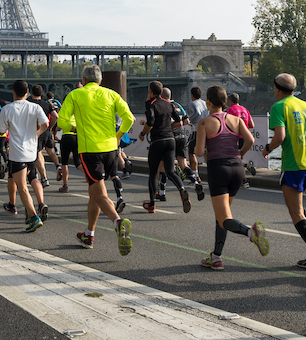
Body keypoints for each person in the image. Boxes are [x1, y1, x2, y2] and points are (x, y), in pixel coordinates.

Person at [58, 65, 134, 255]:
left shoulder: (76, 95)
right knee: (94, 193)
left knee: (99, 194)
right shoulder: (111, 94)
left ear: (83, 80)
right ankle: (89, 234)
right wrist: (118, 135)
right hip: (110, 150)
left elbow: (61, 121)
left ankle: (118, 222)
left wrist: (74, 129)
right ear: (100, 81)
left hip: (90, 150)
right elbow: (129, 119)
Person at [195, 85, 267, 270]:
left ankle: (251, 233)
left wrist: (205, 152)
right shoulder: (235, 119)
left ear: (208, 102)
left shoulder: (204, 122)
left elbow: (198, 151)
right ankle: (216, 256)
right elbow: (250, 140)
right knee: (223, 216)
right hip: (237, 168)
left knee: (223, 217)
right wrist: (240, 153)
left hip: (218, 168)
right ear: (225, 101)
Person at [261, 73, 306, 269]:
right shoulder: (305, 105)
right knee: (298, 205)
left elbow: (280, 136)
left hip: (293, 164)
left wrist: (267, 149)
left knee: (295, 212)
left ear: (277, 88)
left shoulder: (279, 107)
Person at [0, 79, 50, 232]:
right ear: (27, 93)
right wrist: (36, 134)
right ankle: (29, 214)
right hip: (32, 152)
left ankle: (34, 217)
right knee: (30, 181)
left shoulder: (7, 109)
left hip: (17, 154)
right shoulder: (35, 107)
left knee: (22, 187)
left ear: (13, 92)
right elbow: (46, 123)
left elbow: (1, 131)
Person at [139, 81, 190, 213]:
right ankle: (182, 190)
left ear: (150, 91)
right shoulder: (169, 104)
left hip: (158, 140)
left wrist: (143, 133)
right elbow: (179, 122)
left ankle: (152, 204)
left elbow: (150, 122)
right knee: (170, 171)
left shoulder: (150, 104)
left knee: (152, 173)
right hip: (170, 140)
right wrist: (168, 127)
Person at [30, 84, 60, 189]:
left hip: (36, 132)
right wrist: (51, 127)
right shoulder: (47, 104)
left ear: (31, 93)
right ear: (41, 94)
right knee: (50, 150)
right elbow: (56, 116)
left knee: (39, 154)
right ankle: (58, 165)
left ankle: (44, 178)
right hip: (47, 131)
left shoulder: (30, 104)